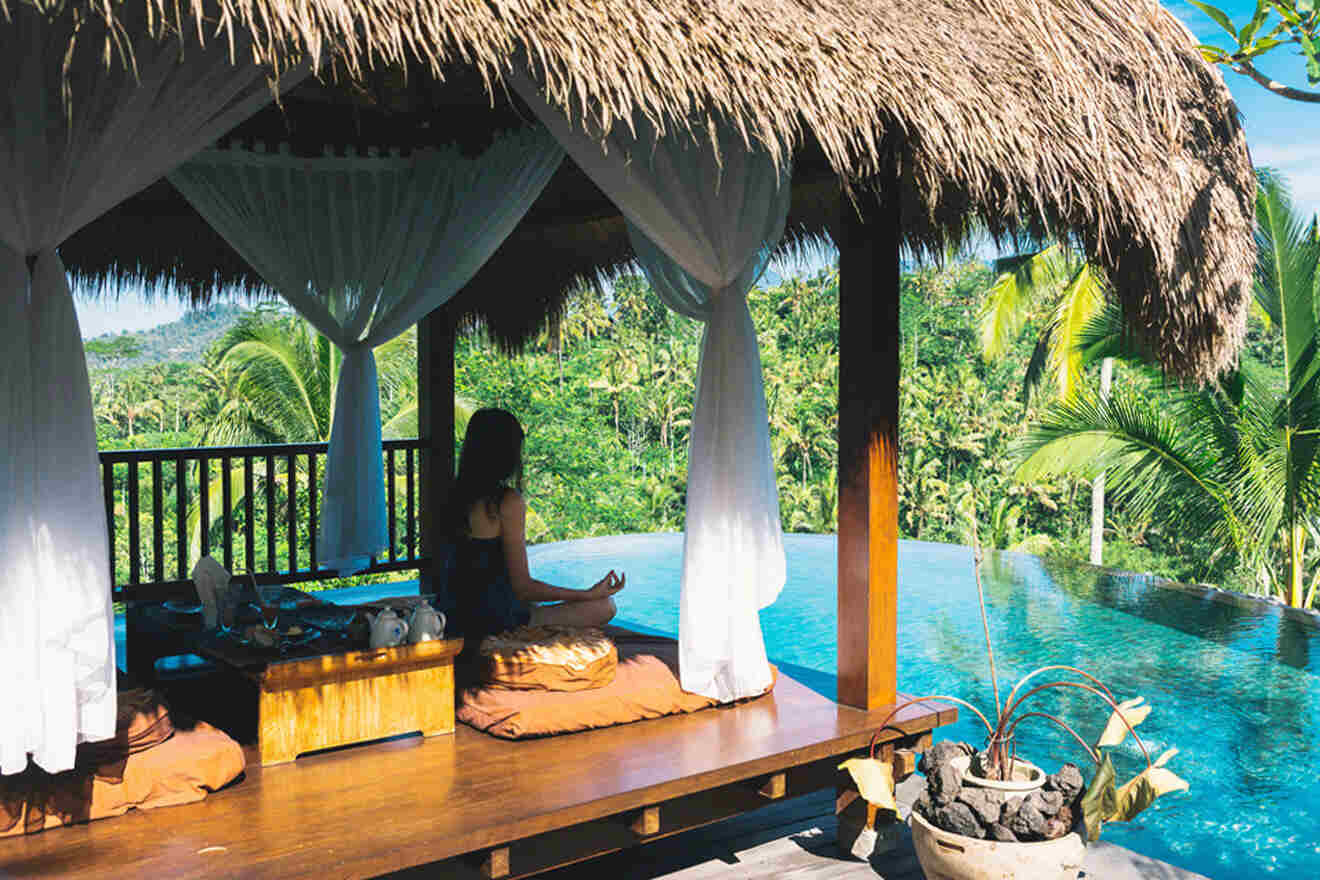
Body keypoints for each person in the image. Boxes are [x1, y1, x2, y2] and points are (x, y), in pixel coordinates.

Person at [449, 408, 624, 644]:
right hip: (493, 623)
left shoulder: (451, 496)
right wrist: (586, 594)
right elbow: (523, 588)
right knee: (604, 607)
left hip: (450, 617)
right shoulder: (505, 502)